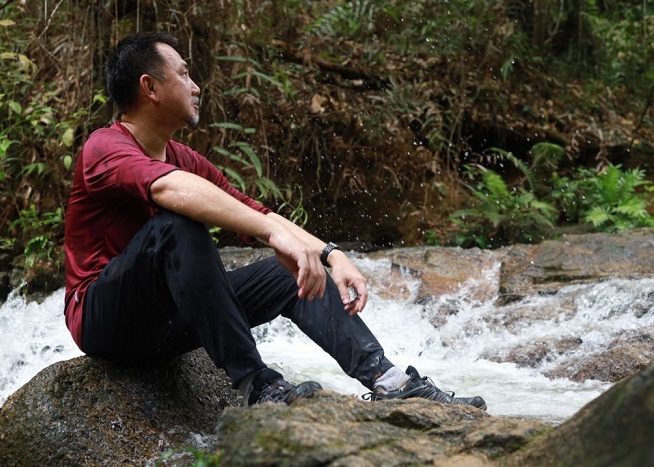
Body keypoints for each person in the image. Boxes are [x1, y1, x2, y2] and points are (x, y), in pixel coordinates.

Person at [63, 31, 486, 410]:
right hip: (105, 321)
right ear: (149, 87)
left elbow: (256, 212)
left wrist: (329, 255)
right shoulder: (105, 147)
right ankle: (257, 384)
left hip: (170, 320)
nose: (195, 87)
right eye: (185, 74)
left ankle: (389, 380)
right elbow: (171, 191)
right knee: (177, 225)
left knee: (292, 273)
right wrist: (272, 234)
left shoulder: (183, 158)